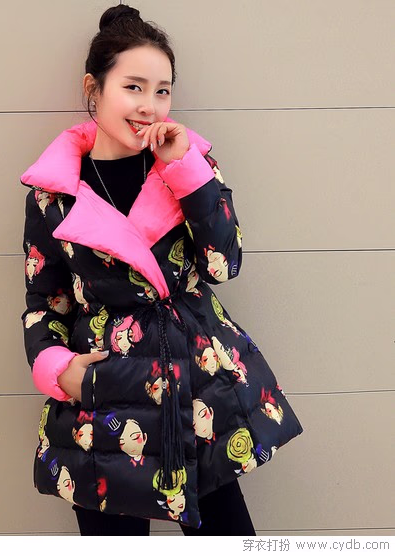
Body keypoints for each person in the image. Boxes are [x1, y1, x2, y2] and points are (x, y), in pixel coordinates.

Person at [20, 3, 303, 536]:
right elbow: (45, 300)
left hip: (196, 389)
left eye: (163, 91)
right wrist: (59, 368)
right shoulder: (52, 194)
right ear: (93, 88)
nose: (149, 106)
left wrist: (185, 172)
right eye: (133, 87)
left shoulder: (189, 164)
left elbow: (224, 263)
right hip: (107, 395)